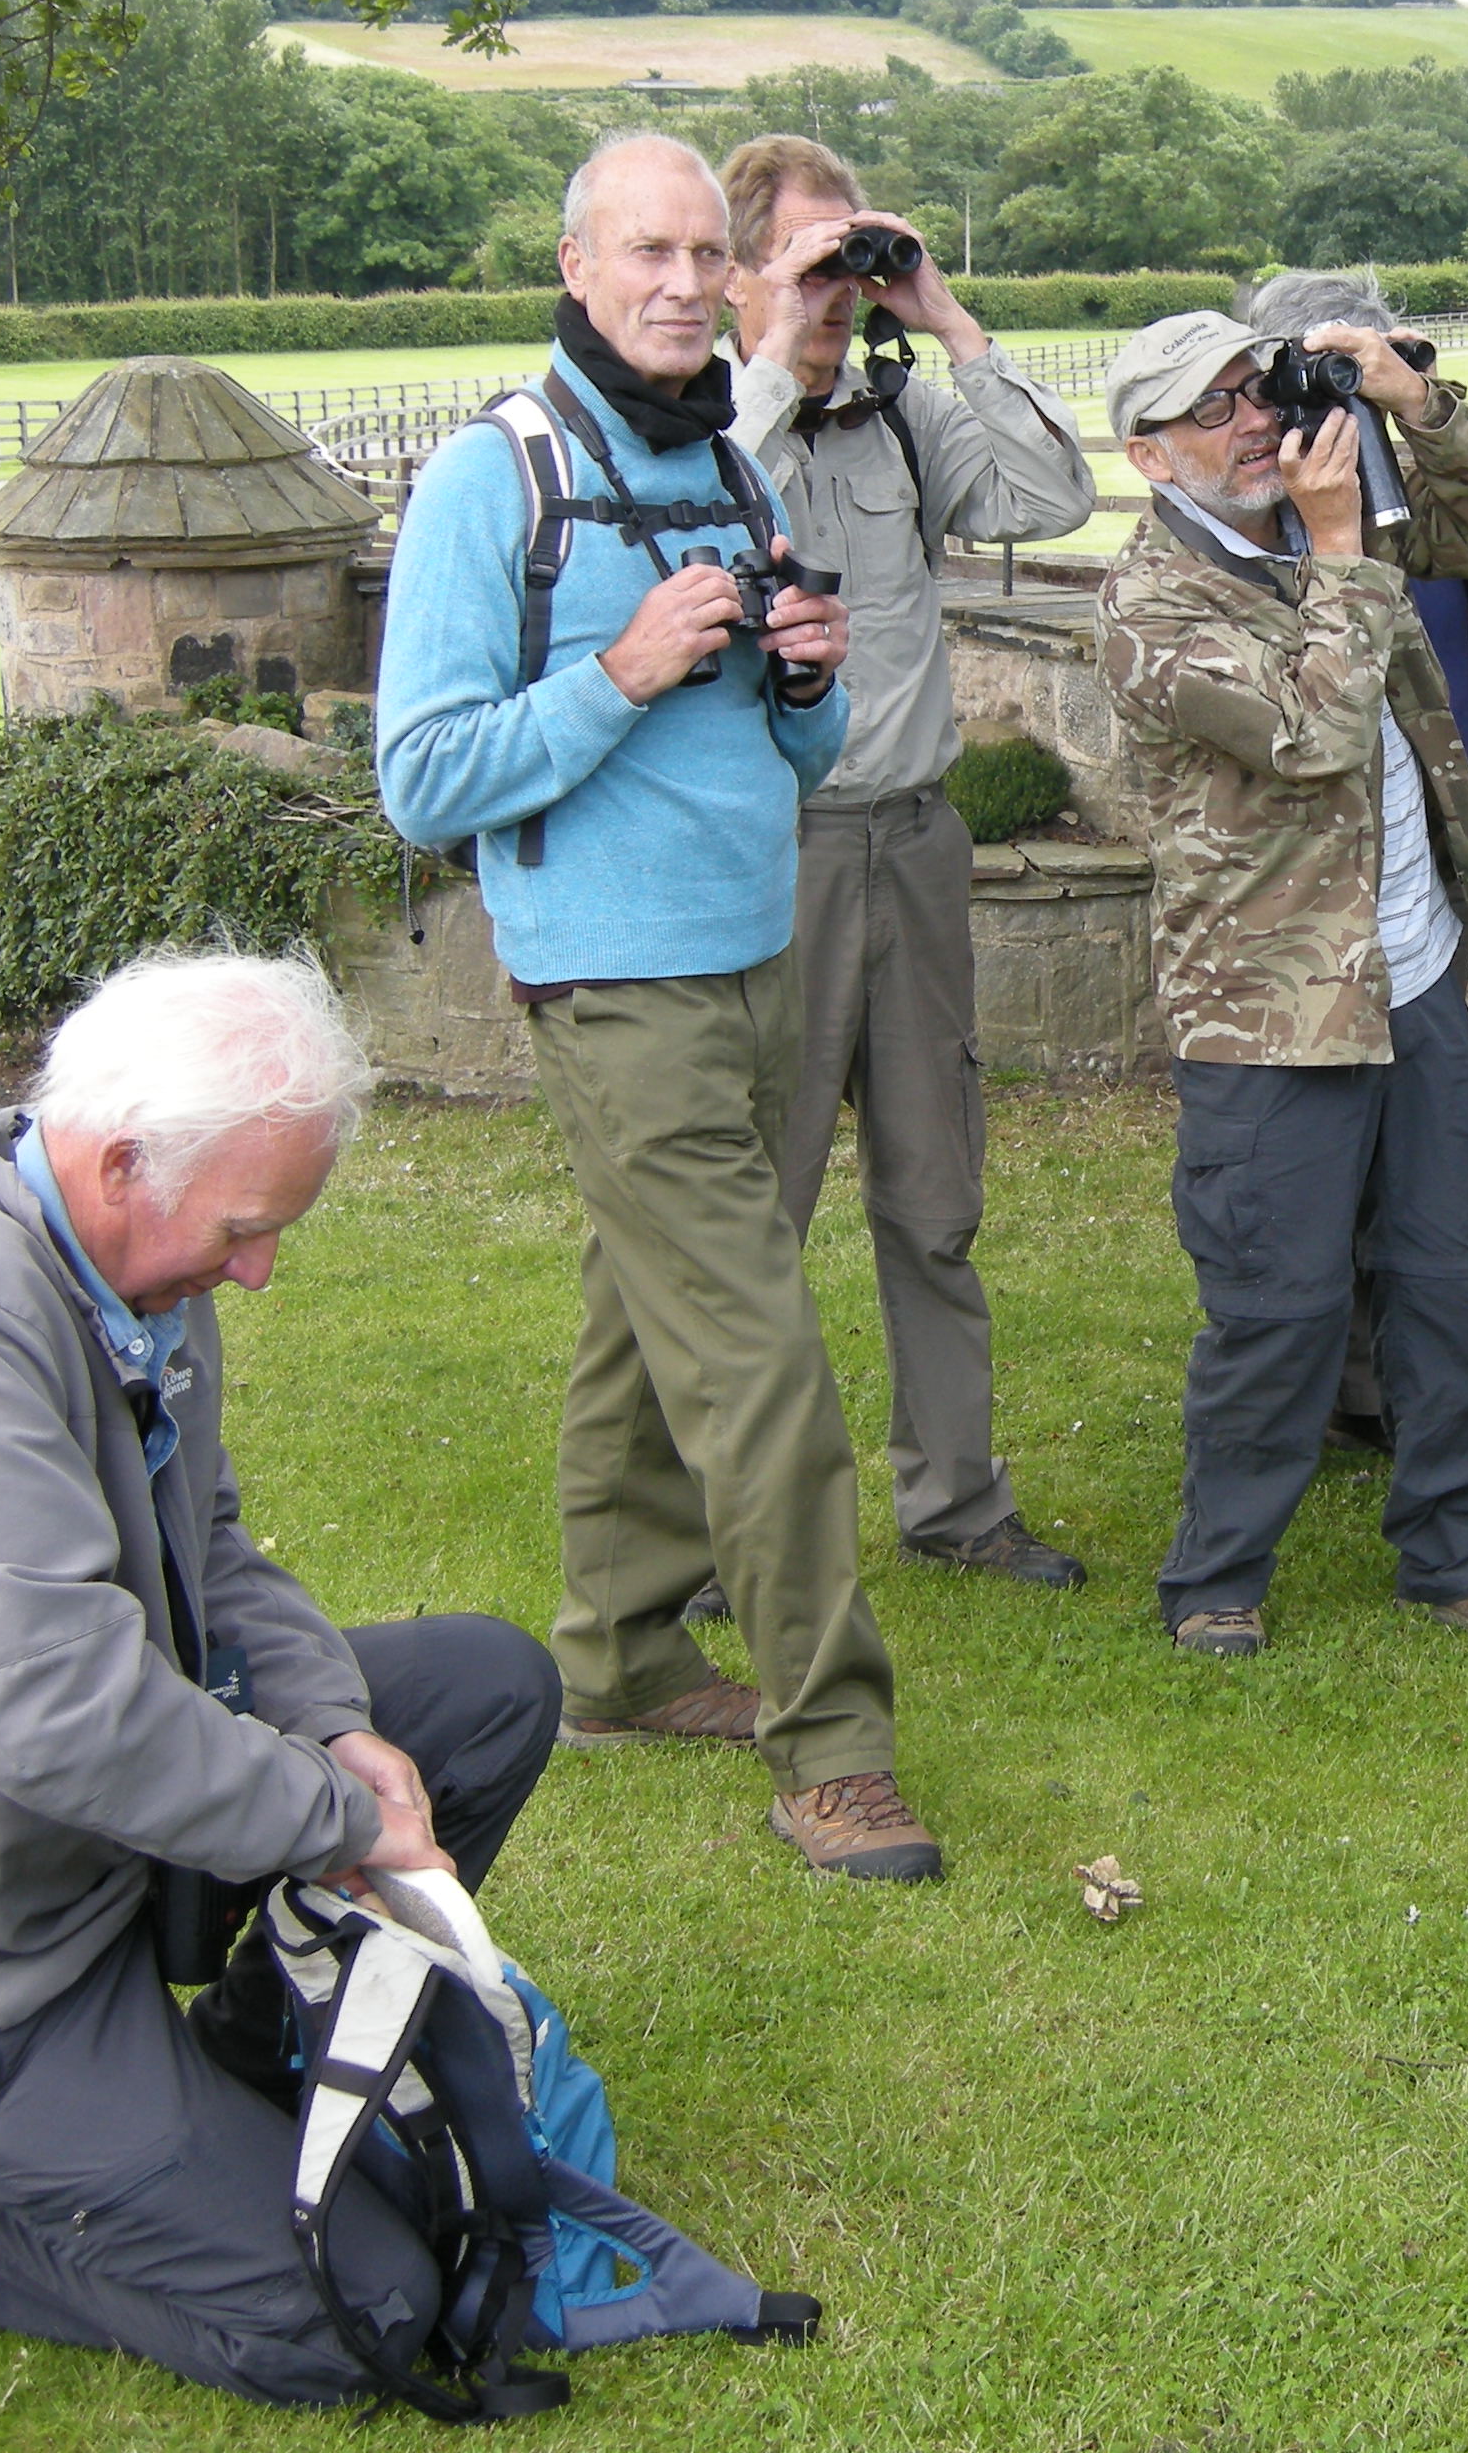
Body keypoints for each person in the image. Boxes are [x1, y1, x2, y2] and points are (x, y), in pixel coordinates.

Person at [0, 952, 562, 2402]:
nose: (259, 1271)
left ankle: (238, 2073)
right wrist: (339, 1824)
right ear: (122, 1161)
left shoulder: (123, 1255)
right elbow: (50, 1711)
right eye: (246, 1230)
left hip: (72, 1850)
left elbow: (209, 1547)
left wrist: (332, 1731)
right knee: (363, 2312)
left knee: (483, 1690)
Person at [379, 129, 942, 1883]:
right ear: (575, 266)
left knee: (650, 1306)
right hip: (612, 974)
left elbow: (795, 748)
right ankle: (833, 1746)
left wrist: (802, 683)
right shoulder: (496, 479)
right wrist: (618, 674)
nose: (689, 285)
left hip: (748, 944)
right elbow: (421, 776)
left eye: (714, 256)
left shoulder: (724, 465)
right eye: (653, 254)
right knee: (759, 1353)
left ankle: (617, 1656)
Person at [1096, 306, 1468, 1656]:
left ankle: (1461, 1552)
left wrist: (1411, 406)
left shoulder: (1335, 506)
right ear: (1148, 455)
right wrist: (1348, 547)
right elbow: (1310, 733)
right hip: (1267, 1006)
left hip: (1408, 975)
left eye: (1260, 390)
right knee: (1278, 1304)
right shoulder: (1150, 606)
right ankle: (1217, 1575)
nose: (1255, 422)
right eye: (1215, 411)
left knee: (1445, 1276)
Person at [713, 131, 1101, 1589]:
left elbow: (1052, 499)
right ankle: (719, 1526)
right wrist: (775, 345)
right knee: (755, 1210)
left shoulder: (900, 423)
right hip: (773, 861)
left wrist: (941, 315)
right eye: (810, 256)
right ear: (742, 270)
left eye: (852, 252)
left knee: (936, 1200)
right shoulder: (701, 427)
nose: (836, 283)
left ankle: (957, 1500)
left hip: (917, 845)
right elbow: (698, 507)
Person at [1238, 268, 1468, 1454]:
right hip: (1304, 873)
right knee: (1316, 1144)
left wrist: (1418, 408)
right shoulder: (1252, 505)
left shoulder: (1404, 485)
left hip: (1428, 848)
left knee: (1429, 1135)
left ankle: (1395, 1390)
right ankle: (1326, 1383)